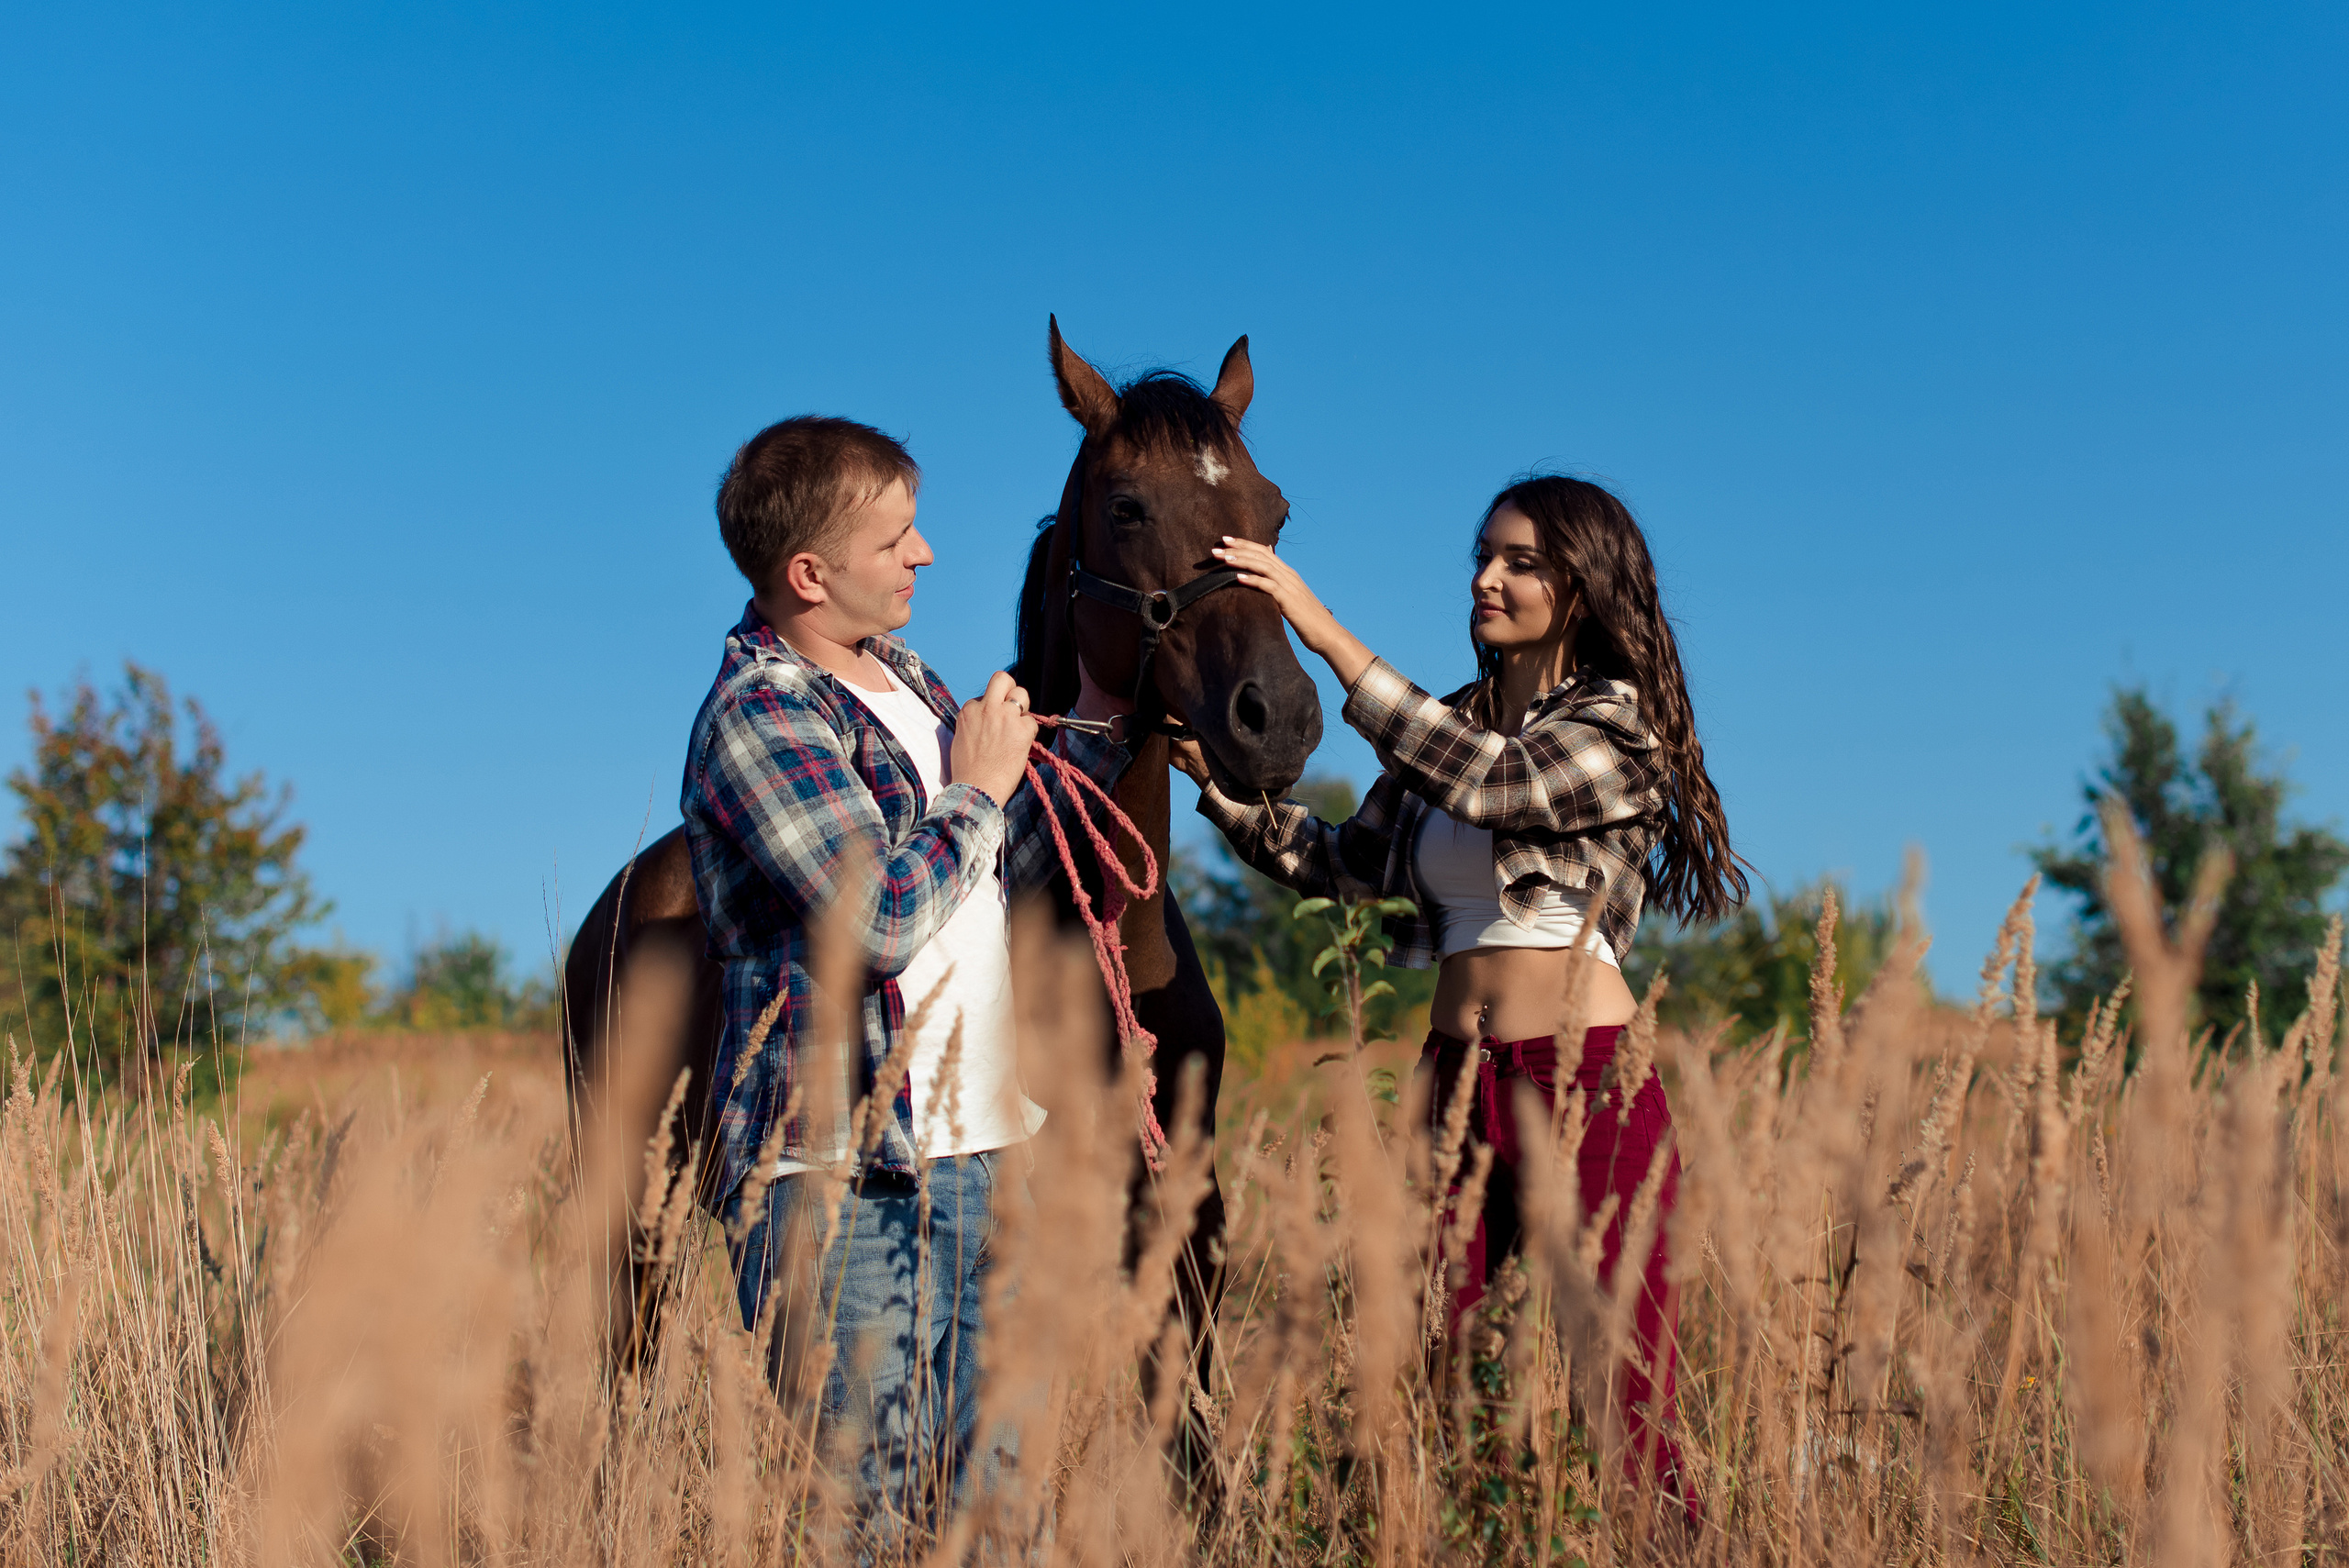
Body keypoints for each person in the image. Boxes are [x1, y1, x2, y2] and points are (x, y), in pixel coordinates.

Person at [1170, 473, 1743, 1515]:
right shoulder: (1460, 720)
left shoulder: (1615, 727)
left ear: (1582, 587)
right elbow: (1349, 863)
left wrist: (1319, 628)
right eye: (1483, 555)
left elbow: (1498, 785)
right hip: (1454, 1082)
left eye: (1520, 561)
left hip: (1587, 1081)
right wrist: (1209, 787)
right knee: (1454, 1388)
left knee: (1623, 1392)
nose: (1486, 577)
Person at [680, 416, 1129, 1540]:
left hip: (988, 1158)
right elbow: (874, 919)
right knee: (869, 1524)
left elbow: (993, 879)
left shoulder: (913, 687)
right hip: (843, 1180)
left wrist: (1088, 745)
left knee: (1000, 1519)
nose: (925, 552)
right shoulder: (759, 713)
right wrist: (976, 788)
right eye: (897, 537)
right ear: (810, 574)